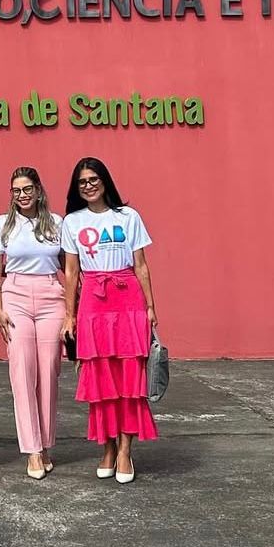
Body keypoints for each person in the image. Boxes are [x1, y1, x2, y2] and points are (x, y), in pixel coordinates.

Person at [60, 157, 159, 484]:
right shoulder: (72, 221)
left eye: (93, 179)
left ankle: (125, 450)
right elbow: (71, 271)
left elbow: (141, 265)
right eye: (82, 182)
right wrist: (70, 315)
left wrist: (150, 307)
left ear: (105, 181)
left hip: (128, 297)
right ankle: (107, 447)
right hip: (93, 300)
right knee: (100, 379)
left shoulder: (128, 217)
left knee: (129, 379)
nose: (88, 186)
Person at [0, 167, 65, 480]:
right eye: (17, 190)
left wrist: (74, 308)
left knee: (48, 371)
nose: (22, 195)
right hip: (15, 295)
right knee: (22, 370)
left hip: (50, 295)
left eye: (28, 189)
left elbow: (69, 266)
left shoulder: (56, 223)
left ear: (38, 190)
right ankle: (32, 450)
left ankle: (46, 444)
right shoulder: (2, 225)